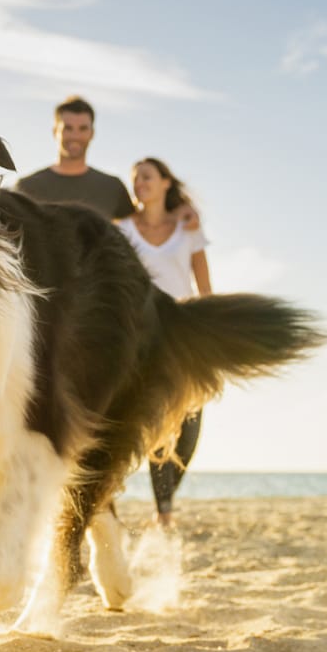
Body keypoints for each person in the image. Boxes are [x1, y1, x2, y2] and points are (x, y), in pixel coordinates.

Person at [116, 157, 212, 528]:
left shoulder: (188, 228)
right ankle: (164, 514)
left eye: (147, 177)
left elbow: (204, 287)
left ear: (166, 183)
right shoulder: (122, 228)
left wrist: (210, 331)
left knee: (189, 425)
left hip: (185, 334)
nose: (140, 183)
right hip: (142, 334)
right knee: (158, 419)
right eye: (135, 178)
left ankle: (165, 500)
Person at [13, 95, 135, 220]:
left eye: (83, 129)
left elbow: (136, 232)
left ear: (92, 133)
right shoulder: (26, 188)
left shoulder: (113, 187)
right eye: (68, 128)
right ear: (55, 132)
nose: (75, 136)